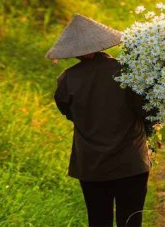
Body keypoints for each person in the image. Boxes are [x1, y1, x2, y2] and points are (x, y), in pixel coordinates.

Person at [46, 14, 154, 227]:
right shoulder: (126, 71)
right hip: (130, 162)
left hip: (91, 165)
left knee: (98, 220)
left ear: (73, 52)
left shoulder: (67, 79)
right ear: (102, 44)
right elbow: (146, 111)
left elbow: (68, 112)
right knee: (131, 220)